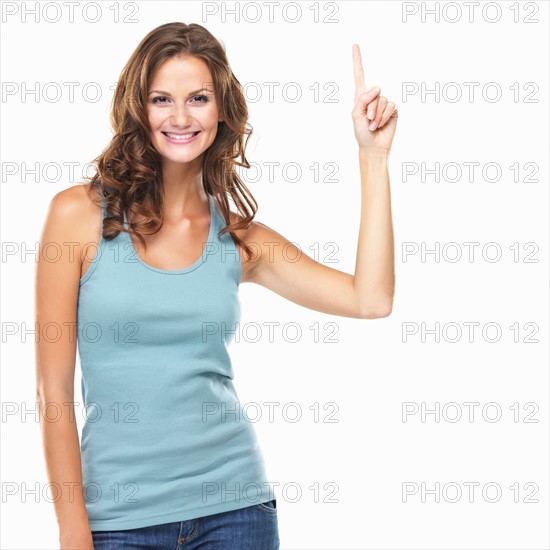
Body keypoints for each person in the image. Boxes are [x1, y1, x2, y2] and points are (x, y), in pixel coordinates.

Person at [35, 21, 397, 550]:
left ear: (221, 109)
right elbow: (53, 394)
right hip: (116, 522)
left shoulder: (239, 239)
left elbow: (371, 299)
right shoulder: (76, 216)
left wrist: (373, 157)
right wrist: (73, 531)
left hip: (235, 512)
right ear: (139, 108)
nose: (180, 117)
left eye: (198, 98)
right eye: (162, 99)